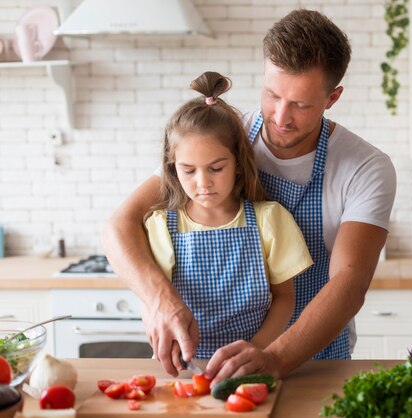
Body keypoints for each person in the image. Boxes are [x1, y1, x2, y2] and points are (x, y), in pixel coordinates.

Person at [101, 8, 396, 380]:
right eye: (272, 95)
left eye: (301, 105)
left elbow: (349, 284)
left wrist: (272, 357)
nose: (281, 117)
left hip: (316, 363)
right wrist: (159, 301)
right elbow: (119, 226)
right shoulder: (221, 138)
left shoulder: (365, 167)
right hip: (207, 363)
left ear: (332, 98)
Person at [144, 71, 312, 358]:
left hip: (252, 365)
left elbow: (285, 299)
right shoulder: (162, 226)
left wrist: (256, 349)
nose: (203, 182)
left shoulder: (270, 220)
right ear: (172, 168)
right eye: (188, 170)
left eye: (216, 168)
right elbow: (153, 303)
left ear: (237, 162)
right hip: (186, 367)